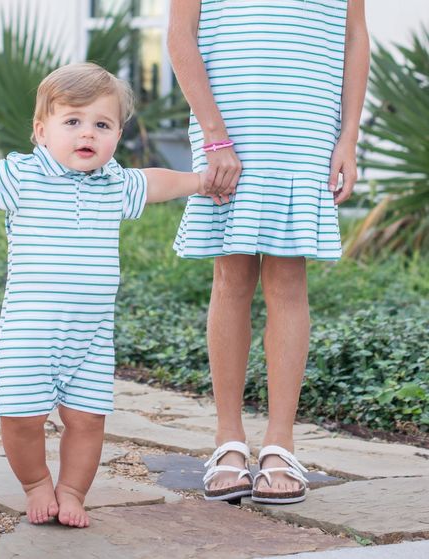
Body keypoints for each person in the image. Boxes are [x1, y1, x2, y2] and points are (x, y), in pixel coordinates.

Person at [0, 62, 218, 527]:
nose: (87, 133)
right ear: (41, 130)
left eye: (102, 124)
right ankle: (36, 484)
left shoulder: (116, 183)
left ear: (118, 134)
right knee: (21, 419)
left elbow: (158, 182)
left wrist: (200, 182)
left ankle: (72, 491)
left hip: (91, 336)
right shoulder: (22, 177)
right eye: (72, 121)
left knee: (88, 420)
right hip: (29, 333)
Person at [167, 0, 369, 503]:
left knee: (287, 282)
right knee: (231, 279)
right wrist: (215, 136)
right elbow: (179, 35)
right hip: (228, 127)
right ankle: (228, 441)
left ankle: (280, 443)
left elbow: (353, 38)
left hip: (306, 130)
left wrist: (349, 136)